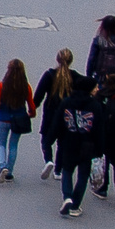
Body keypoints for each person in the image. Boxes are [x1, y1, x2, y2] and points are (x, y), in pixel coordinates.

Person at [49, 69, 102, 216]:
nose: (98, 89)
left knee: (67, 170)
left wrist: (50, 139)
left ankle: (67, 197)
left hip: (69, 142)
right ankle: (76, 204)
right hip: (87, 145)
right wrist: (99, 149)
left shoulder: (67, 102)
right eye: (95, 87)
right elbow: (99, 128)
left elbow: (58, 122)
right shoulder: (95, 106)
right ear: (90, 90)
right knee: (83, 175)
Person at [0, 57, 36, 183]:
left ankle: (2, 166)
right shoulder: (26, 87)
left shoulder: (1, 86)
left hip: (3, 118)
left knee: (1, 143)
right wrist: (31, 113)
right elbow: (31, 104)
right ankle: (9, 172)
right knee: (13, 145)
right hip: (18, 119)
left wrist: (2, 104)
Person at [35, 48, 77, 180]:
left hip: (50, 112)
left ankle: (48, 160)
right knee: (62, 142)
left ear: (57, 59)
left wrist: (32, 109)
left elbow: (39, 95)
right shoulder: (74, 76)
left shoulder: (49, 75)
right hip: (67, 113)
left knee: (46, 139)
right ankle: (58, 170)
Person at [85, 14, 115, 95]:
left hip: (101, 72)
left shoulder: (98, 40)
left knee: (100, 93)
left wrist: (89, 75)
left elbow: (91, 59)